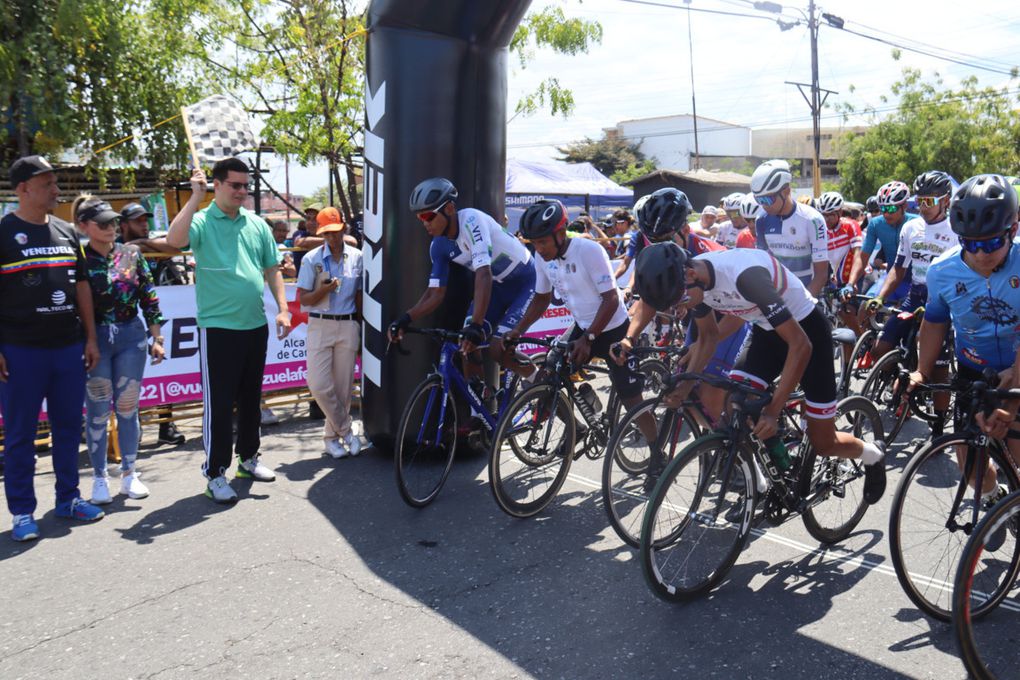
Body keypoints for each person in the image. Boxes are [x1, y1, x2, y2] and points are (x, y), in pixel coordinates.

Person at [625, 242, 887, 502]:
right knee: (736, 404)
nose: (679, 309)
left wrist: (773, 411)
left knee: (824, 443)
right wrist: (682, 390)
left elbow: (800, 345)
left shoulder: (746, 277)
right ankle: (761, 485)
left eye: (678, 300)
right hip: (766, 331)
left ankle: (872, 454)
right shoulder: (693, 282)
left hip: (807, 333)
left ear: (690, 275)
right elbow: (708, 337)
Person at [166, 158, 291, 504]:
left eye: (245, 186)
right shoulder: (203, 220)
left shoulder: (256, 224)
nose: (241, 191)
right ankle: (215, 472)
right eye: (234, 185)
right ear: (216, 185)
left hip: (255, 325)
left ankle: (248, 460)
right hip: (218, 329)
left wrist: (282, 309)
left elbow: (272, 268)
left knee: (251, 399)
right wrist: (195, 197)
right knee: (219, 404)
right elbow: (175, 241)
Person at [0, 155, 104, 541]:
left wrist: (90, 338)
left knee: (66, 429)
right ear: (23, 189)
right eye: (47, 184)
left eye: (55, 182)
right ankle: (23, 512)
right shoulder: (4, 232)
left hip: (67, 348)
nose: (56, 190)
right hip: (20, 350)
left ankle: (68, 498)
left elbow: (81, 287)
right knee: (20, 435)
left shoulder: (66, 232)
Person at [503, 199, 655, 445]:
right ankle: (578, 428)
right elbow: (541, 299)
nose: (539, 249)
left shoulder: (588, 251)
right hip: (583, 327)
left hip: (613, 329)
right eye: (534, 243)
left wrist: (589, 337)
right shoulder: (543, 258)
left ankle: (657, 455)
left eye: (543, 241)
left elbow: (611, 299)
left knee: (632, 401)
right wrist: (518, 330)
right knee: (547, 374)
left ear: (560, 234)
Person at [910, 174, 1020, 495]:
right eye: (970, 244)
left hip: (1018, 368)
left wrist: (1014, 391)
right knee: (970, 469)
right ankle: (994, 499)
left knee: (1016, 454)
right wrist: (921, 370)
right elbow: (934, 323)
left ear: (1012, 230)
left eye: (991, 243)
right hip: (973, 370)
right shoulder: (942, 271)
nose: (981, 254)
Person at [388, 177, 537, 390]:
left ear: (449, 208)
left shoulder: (471, 220)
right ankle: (481, 417)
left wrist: (476, 325)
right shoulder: (438, 246)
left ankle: (541, 382)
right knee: (467, 345)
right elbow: (435, 294)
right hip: (498, 286)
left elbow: (483, 274)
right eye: (420, 217)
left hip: (525, 280)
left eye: (428, 215)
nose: (424, 223)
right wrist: (406, 318)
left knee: (498, 348)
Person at [76, 197, 164, 504]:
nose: (111, 227)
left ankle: (129, 474)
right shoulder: (78, 257)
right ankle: (99, 478)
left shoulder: (131, 253)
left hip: (131, 337)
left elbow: (149, 297)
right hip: (94, 339)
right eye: (103, 223)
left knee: (128, 407)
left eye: (113, 222)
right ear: (83, 227)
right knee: (98, 411)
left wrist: (158, 338)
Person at [863, 171, 957, 434]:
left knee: (939, 371)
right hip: (914, 294)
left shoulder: (955, 231)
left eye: (929, 201)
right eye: (920, 201)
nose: (923, 207)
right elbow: (898, 269)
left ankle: (938, 426)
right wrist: (879, 297)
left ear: (945, 201)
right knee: (881, 347)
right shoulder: (910, 228)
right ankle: (903, 375)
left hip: (941, 300)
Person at [118, 202, 188, 446]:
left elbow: (173, 248)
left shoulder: (145, 243)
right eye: (138, 221)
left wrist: (141, 245)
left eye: (145, 220)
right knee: (130, 375)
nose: (144, 225)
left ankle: (166, 425)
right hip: (128, 319)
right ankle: (131, 427)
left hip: (158, 315)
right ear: (123, 224)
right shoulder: (115, 247)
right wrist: (137, 247)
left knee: (164, 369)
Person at [296, 207, 364, 459]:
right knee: (319, 385)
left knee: (343, 388)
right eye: (327, 233)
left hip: (348, 324)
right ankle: (346, 432)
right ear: (321, 233)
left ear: (344, 228)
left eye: (336, 232)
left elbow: (360, 296)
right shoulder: (311, 259)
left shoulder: (358, 256)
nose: (333, 238)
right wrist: (324, 290)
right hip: (320, 323)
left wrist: (363, 329)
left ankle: (331, 438)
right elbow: (305, 299)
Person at [749, 159, 829, 296]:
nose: (764, 205)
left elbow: (821, 274)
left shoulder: (812, 219)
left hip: (807, 290)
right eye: (759, 200)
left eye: (768, 199)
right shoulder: (761, 220)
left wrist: (805, 305)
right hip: (778, 293)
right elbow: (763, 265)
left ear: (786, 191)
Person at [844, 181, 918, 302]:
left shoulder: (917, 223)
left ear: (904, 206)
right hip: (889, 277)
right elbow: (863, 258)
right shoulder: (875, 224)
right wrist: (850, 284)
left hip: (914, 282)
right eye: (883, 208)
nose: (887, 213)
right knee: (865, 307)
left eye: (892, 208)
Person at [817, 191, 863, 335]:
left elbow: (858, 253)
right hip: (837, 280)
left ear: (840, 212)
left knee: (847, 311)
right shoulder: (820, 231)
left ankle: (864, 340)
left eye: (830, 214)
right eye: (823, 214)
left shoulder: (850, 225)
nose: (826, 219)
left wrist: (851, 283)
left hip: (858, 276)